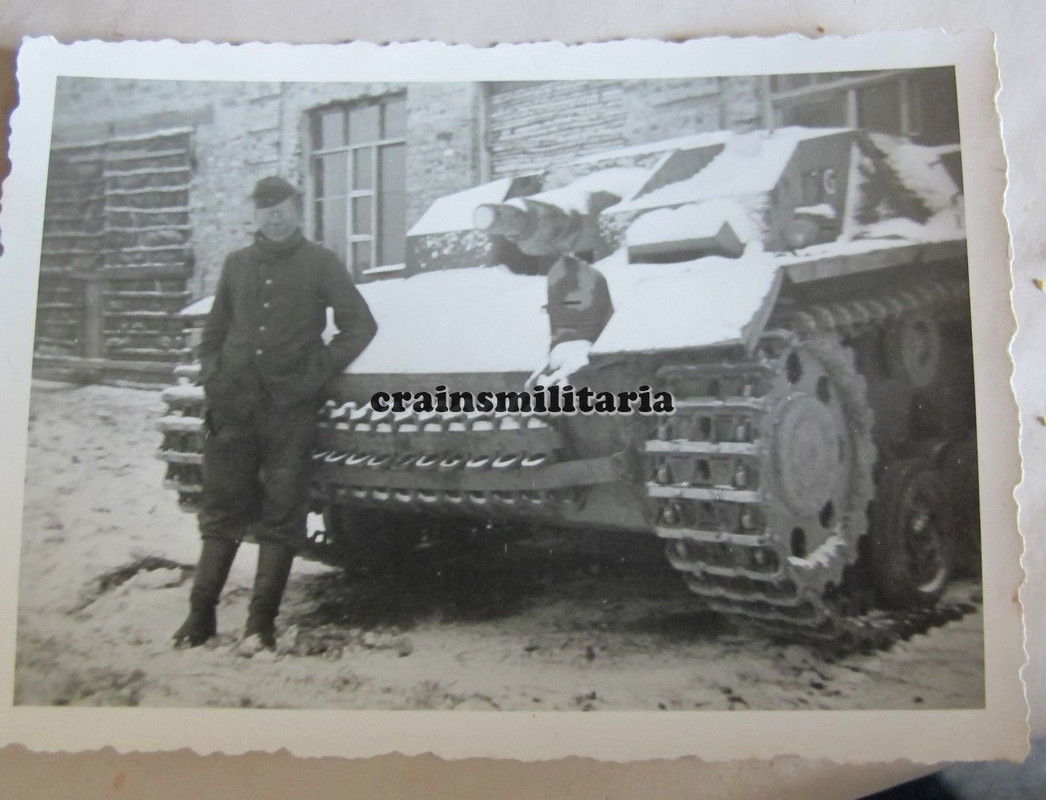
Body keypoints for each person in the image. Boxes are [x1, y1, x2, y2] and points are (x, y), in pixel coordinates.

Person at [173, 176, 378, 654]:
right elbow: (215, 328)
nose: (275, 217)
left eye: (283, 208)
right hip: (233, 408)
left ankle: (259, 625)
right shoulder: (236, 264)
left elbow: (359, 325)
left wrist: (315, 372)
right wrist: (213, 371)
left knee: (281, 516)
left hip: (290, 410)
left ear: (298, 211)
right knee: (221, 512)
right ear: (255, 215)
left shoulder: (320, 262)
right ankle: (199, 616)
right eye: (266, 210)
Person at [525, 252, 614, 389]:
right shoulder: (595, 276)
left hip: (564, 345)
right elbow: (607, 313)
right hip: (586, 344)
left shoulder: (556, 273)